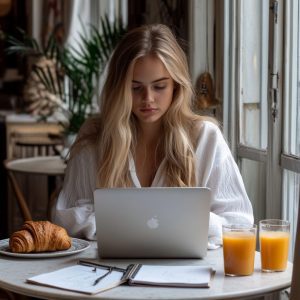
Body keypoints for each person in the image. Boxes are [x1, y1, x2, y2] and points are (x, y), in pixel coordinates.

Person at [53, 24, 253, 247]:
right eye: (135, 88)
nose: (148, 98)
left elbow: (239, 222)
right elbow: (65, 217)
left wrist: (121, 221)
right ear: (119, 88)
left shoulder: (206, 138)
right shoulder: (95, 137)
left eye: (159, 86)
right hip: (107, 272)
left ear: (176, 86)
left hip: (186, 273)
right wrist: (171, 221)